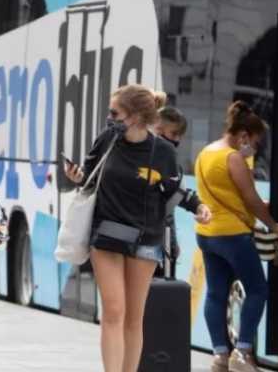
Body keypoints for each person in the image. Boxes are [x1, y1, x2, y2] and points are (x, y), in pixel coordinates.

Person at [64, 85, 208, 372]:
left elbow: (173, 188)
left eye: (115, 112)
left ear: (136, 116)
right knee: (114, 311)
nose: (110, 118)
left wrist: (199, 207)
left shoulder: (163, 151)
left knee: (134, 317)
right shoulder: (107, 140)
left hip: (145, 238)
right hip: (105, 233)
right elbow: (89, 179)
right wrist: (76, 176)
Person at [194, 101, 278, 372]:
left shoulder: (206, 153)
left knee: (215, 294)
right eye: (255, 142)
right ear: (244, 135)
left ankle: (220, 356)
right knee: (258, 289)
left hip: (207, 234)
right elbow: (250, 198)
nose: (255, 148)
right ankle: (243, 351)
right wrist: (273, 226)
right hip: (233, 234)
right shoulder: (233, 157)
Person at [154, 107, 212, 270]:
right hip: (145, 243)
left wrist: (172, 242)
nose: (177, 140)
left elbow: (175, 196)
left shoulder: (171, 163)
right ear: (158, 129)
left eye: (180, 135)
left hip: (161, 242)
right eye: (173, 134)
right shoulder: (142, 157)